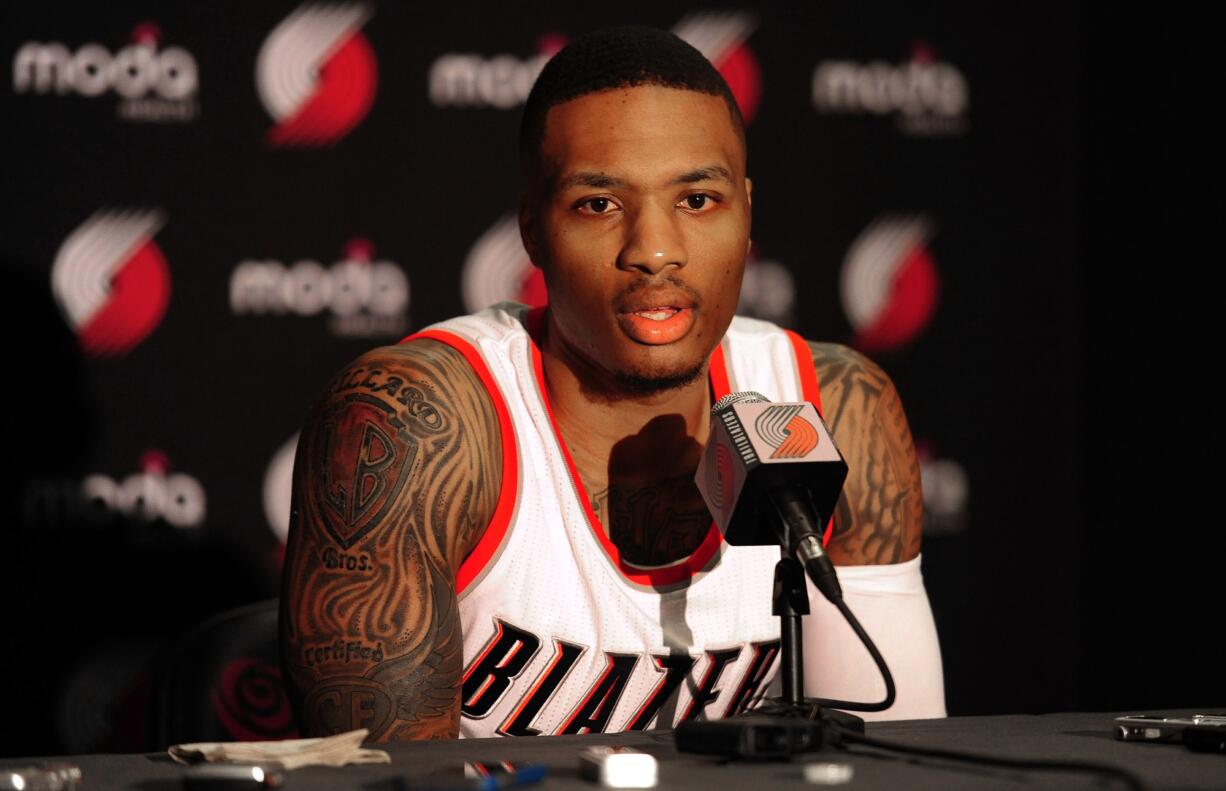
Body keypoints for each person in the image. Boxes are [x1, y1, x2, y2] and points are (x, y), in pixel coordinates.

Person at [280, 26, 944, 741]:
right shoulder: (415, 424)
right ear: (532, 230)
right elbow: (388, 783)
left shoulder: (836, 405)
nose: (655, 251)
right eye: (599, 204)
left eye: (697, 200)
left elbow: (896, 756)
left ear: (747, 213)